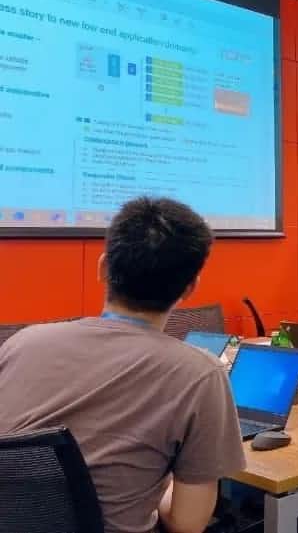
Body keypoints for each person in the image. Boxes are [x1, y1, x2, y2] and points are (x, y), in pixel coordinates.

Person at [0, 197, 245, 533]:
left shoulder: (21, 343)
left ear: (103, 268)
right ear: (190, 288)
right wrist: (163, 480)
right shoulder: (200, 374)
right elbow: (187, 524)